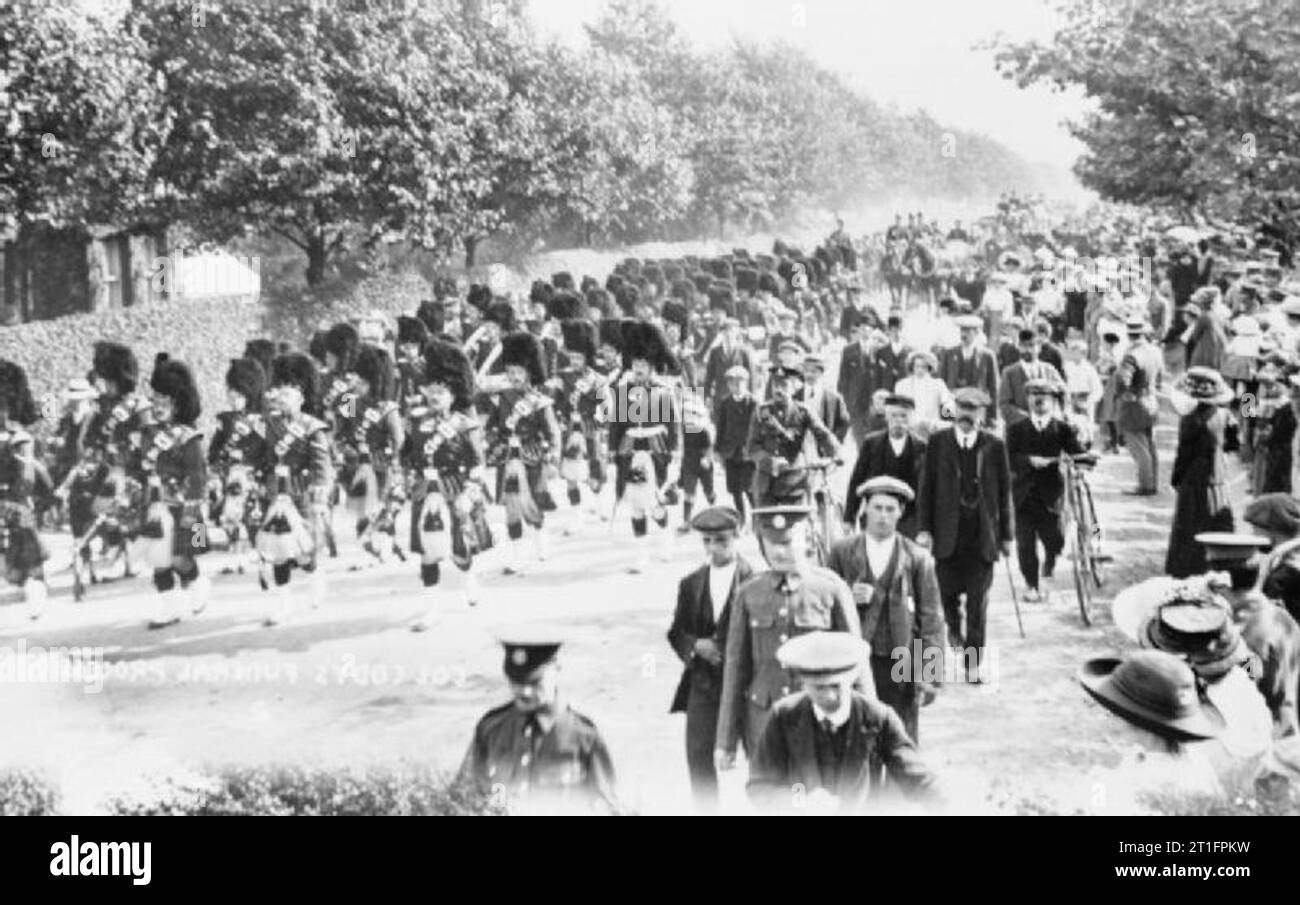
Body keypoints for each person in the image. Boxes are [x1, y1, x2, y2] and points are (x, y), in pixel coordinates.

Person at [715, 506, 862, 766]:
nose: (780, 552)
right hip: (763, 720)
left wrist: (866, 731)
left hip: (818, 716)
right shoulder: (749, 593)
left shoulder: (830, 588)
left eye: (787, 542)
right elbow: (735, 669)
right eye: (771, 544)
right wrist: (725, 742)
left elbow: (857, 663)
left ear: (805, 539)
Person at [746, 632, 938, 814]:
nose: (829, 696)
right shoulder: (784, 716)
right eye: (819, 688)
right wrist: (801, 801)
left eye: (836, 686)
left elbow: (919, 779)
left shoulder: (878, 717)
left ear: (852, 678)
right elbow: (761, 785)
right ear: (803, 683)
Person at [827, 476, 944, 743]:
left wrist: (931, 675)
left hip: (901, 661)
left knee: (900, 740)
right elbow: (822, 607)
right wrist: (846, 594)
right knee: (858, 738)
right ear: (865, 508)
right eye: (877, 507)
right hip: (856, 660)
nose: (883, 516)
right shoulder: (842, 552)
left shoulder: (917, 558)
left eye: (890, 509)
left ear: (901, 513)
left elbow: (932, 619)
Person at [458, 627, 618, 815]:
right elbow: (465, 796)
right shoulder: (491, 729)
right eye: (516, 682)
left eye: (535, 683)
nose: (524, 692)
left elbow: (607, 806)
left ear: (557, 669)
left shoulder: (584, 735)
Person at [916, 387, 1013, 682]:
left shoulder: (994, 446)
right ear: (954, 411)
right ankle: (953, 631)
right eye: (962, 409)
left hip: (982, 539)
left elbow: (1004, 491)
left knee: (977, 605)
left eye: (973, 410)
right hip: (947, 539)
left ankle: (972, 665)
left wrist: (1007, 535)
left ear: (982, 415)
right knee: (945, 598)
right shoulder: (938, 442)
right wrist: (924, 529)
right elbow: (926, 489)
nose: (967, 416)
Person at [667, 506, 755, 809]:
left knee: (762, 757)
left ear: (737, 536)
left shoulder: (754, 580)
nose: (714, 548)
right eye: (707, 541)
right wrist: (695, 646)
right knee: (698, 756)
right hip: (703, 684)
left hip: (748, 687)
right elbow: (676, 632)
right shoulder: (691, 584)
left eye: (722, 540)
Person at [406, 340, 492, 628]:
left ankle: (468, 576)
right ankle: (432, 608)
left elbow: (478, 465)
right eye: (430, 390)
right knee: (427, 552)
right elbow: (407, 455)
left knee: (459, 549)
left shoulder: (465, 425)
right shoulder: (416, 422)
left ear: (453, 394)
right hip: (425, 492)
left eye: (440, 391)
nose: (433, 395)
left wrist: (469, 493)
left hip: (453, 488)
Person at [1194, 533, 1300, 738]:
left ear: (1218, 581)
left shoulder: (1239, 635)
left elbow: (1245, 684)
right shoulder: (1282, 616)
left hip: (1259, 737)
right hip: (1288, 729)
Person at [255, 352, 334, 625]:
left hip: (300, 492)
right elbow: (260, 455)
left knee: (302, 553)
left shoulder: (313, 427)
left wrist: (321, 496)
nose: (280, 397)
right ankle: (282, 604)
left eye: (287, 393)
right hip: (275, 492)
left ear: (301, 396)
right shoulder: (268, 423)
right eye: (279, 391)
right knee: (277, 551)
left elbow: (322, 465)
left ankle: (315, 575)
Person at [138, 354, 211, 629]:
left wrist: (192, 515)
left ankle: (197, 582)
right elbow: (140, 467)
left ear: (178, 404)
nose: (157, 407)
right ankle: (169, 607)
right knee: (159, 560)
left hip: (185, 507)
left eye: (164, 401)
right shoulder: (147, 433)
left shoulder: (189, 438)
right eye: (154, 400)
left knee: (181, 558)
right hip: (155, 504)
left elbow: (198, 476)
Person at [484, 331, 562, 575]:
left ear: (530, 373)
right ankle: (518, 554)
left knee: (533, 506)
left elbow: (553, 432)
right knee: (511, 507)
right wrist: (493, 441)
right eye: (510, 372)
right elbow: (492, 427)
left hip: (532, 456)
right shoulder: (502, 399)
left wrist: (552, 455)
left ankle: (540, 537)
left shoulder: (540, 402)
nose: (514, 377)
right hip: (509, 458)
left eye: (518, 372)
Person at [607, 321, 680, 572]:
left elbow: (673, 424)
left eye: (643, 365)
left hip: (655, 450)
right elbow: (615, 423)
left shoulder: (664, 391)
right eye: (635, 365)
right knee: (636, 503)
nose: (638, 369)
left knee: (653, 502)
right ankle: (641, 554)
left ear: (651, 367)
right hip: (630, 448)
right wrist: (611, 449)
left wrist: (676, 453)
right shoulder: (622, 390)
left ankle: (665, 531)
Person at [1005, 379, 1085, 602]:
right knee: (1025, 544)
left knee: (1055, 540)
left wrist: (1084, 456)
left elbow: (1078, 453)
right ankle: (1031, 585)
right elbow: (1008, 457)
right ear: (1027, 399)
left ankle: (1050, 562)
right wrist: (1029, 460)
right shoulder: (1016, 429)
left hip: (1052, 495)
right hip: (1023, 495)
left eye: (1044, 397)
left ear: (1052, 401)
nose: (1038, 401)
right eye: (1033, 396)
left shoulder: (1062, 429)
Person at [1166, 368, 1236, 578]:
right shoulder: (1225, 415)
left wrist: (1176, 478)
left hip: (1194, 482)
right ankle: (1222, 567)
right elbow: (1235, 441)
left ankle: (1188, 569)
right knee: (1218, 525)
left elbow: (1183, 454)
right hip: (1219, 480)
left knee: (1190, 528)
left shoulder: (1190, 420)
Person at [745, 366, 841, 507]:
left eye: (784, 385)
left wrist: (836, 453)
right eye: (775, 385)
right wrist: (770, 461)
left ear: (794, 387)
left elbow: (823, 434)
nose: (779, 390)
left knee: (797, 525)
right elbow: (752, 448)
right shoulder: (761, 412)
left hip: (795, 482)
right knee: (765, 525)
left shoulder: (803, 411)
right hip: (766, 482)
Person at [0, 360, 50, 619]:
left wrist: (12, 501)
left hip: (15, 500)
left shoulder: (18, 438)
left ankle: (36, 590)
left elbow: (26, 478)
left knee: (28, 548)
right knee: (10, 564)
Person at [843, 394, 925, 537]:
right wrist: (849, 518)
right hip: (876, 516)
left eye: (904, 416)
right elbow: (857, 480)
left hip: (909, 521)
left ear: (912, 419)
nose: (899, 421)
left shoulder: (921, 447)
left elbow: (927, 489)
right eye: (894, 416)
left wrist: (925, 527)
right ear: (886, 417)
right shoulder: (871, 444)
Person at [1114, 317, 1165, 495]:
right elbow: (1160, 377)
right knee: (1150, 444)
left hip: (1135, 403)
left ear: (1129, 334)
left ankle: (1145, 485)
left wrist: (1124, 394)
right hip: (1151, 399)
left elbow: (1122, 379)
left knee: (1138, 445)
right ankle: (1152, 482)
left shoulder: (1131, 355)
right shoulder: (1155, 351)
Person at [938, 315, 999, 427]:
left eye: (968, 331)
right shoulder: (949, 354)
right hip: (954, 404)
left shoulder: (987, 355)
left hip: (977, 405)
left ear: (976, 333)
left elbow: (994, 387)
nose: (963, 334)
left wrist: (993, 416)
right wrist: (944, 413)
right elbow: (942, 384)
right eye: (962, 330)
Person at [714, 365, 757, 523]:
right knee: (735, 490)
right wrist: (717, 450)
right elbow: (721, 427)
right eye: (732, 383)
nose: (736, 386)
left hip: (748, 454)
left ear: (746, 383)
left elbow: (758, 428)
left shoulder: (753, 403)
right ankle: (741, 519)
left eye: (740, 382)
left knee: (750, 489)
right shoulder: (725, 403)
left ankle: (756, 518)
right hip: (730, 452)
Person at [997, 328, 1065, 428]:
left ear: (1039, 347)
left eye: (1032, 346)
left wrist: (1054, 415)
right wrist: (1029, 419)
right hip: (1019, 429)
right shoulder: (1009, 373)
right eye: (1024, 346)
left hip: (1047, 427)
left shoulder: (1049, 370)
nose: (1028, 350)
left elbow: (1063, 394)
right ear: (1018, 347)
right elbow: (1004, 404)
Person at [837, 321, 879, 447]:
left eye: (868, 329)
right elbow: (843, 378)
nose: (865, 332)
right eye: (862, 329)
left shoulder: (879, 350)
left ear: (872, 331)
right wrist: (844, 401)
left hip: (873, 400)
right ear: (858, 331)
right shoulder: (849, 350)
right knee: (858, 434)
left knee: (875, 433)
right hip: (855, 400)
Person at [894, 351, 952, 437]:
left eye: (923, 367)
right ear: (912, 367)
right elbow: (898, 408)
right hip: (909, 427)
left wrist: (946, 423)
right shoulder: (902, 385)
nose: (920, 370)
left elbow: (947, 405)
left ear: (929, 368)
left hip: (932, 427)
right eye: (917, 366)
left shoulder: (938, 384)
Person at [802, 354, 850, 443]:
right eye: (806, 371)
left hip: (824, 449)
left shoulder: (834, 398)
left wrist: (833, 442)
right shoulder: (795, 396)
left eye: (813, 372)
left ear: (821, 373)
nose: (809, 375)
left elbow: (844, 423)